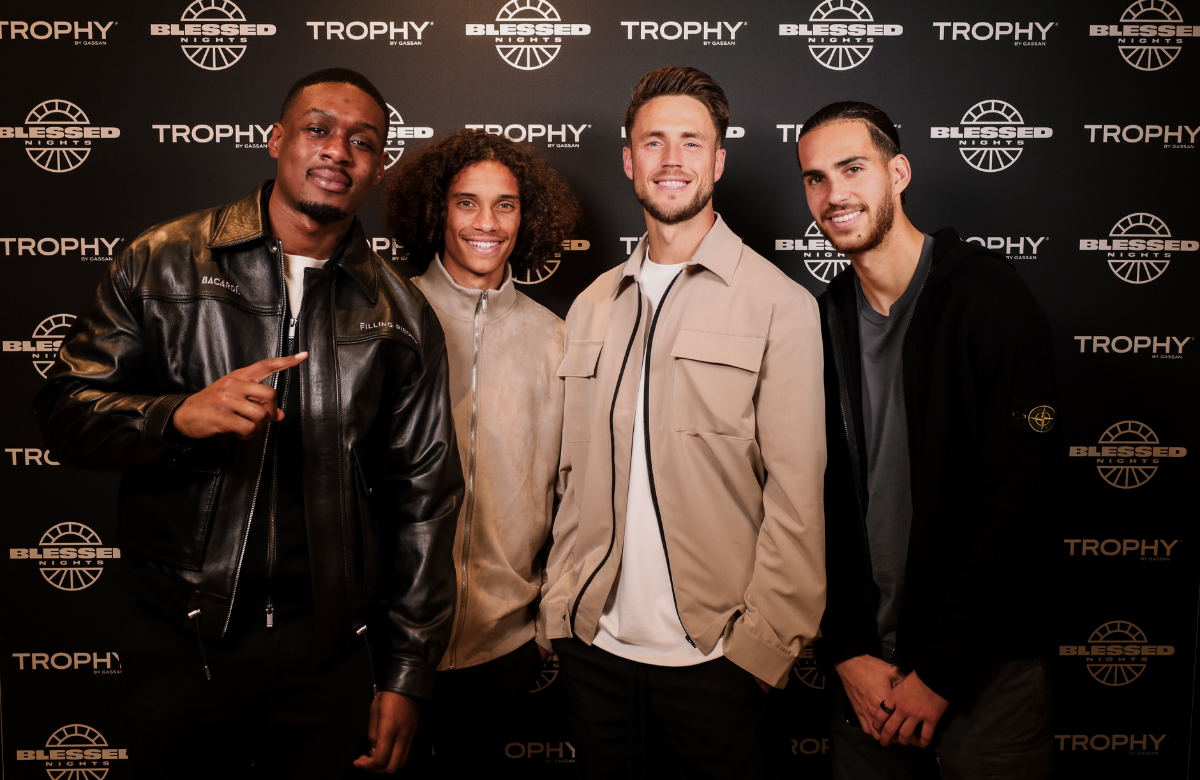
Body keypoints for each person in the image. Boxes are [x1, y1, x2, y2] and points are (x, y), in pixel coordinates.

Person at [32, 68, 463, 779]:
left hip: (331, 653)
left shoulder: (401, 314)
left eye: (363, 142)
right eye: (318, 130)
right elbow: (63, 414)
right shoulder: (163, 260)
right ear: (276, 140)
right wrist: (176, 416)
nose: (338, 151)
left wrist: (407, 673)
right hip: (183, 643)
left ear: (379, 166)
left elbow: (425, 503)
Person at [539, 66, 827, 778]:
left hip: (717, 664)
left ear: (718, 161)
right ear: (628, 160)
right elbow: (570, 477)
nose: (672, 160)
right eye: (654, 142)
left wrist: (761, 650)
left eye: (691, 142)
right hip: (595, 656)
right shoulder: (592, 305)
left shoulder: (780, 305)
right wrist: (560, 608)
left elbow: (798, 496)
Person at [797, 101, 1058, 779]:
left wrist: (939, 674)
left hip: (986, 670)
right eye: (816, 178)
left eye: (853, 169)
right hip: (869, 673)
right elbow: (812, 505)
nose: (834, 194)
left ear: (899, 173)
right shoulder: (820, 320)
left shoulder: (987, 297)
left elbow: (1020, 507)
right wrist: (844, 649)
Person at [385, 129, 580, 768]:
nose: (487, 223)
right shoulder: (386, 318)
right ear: (436, 211)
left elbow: (574, 496)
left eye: (506, 205)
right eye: (467, 202)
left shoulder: (556, 341)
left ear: (527, 217)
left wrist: (547, 621)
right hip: (385, 644)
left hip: (504, 648)